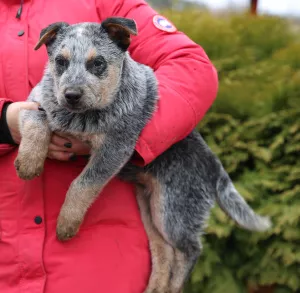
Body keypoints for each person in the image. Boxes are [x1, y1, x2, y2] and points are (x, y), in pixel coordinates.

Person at [0, 0, 218, 292]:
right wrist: (5, 121)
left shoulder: (105, 2)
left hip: (102, 255)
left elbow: (191, 68)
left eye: (96, 64)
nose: (73, 86)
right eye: (62, 63)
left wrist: (124, 136)